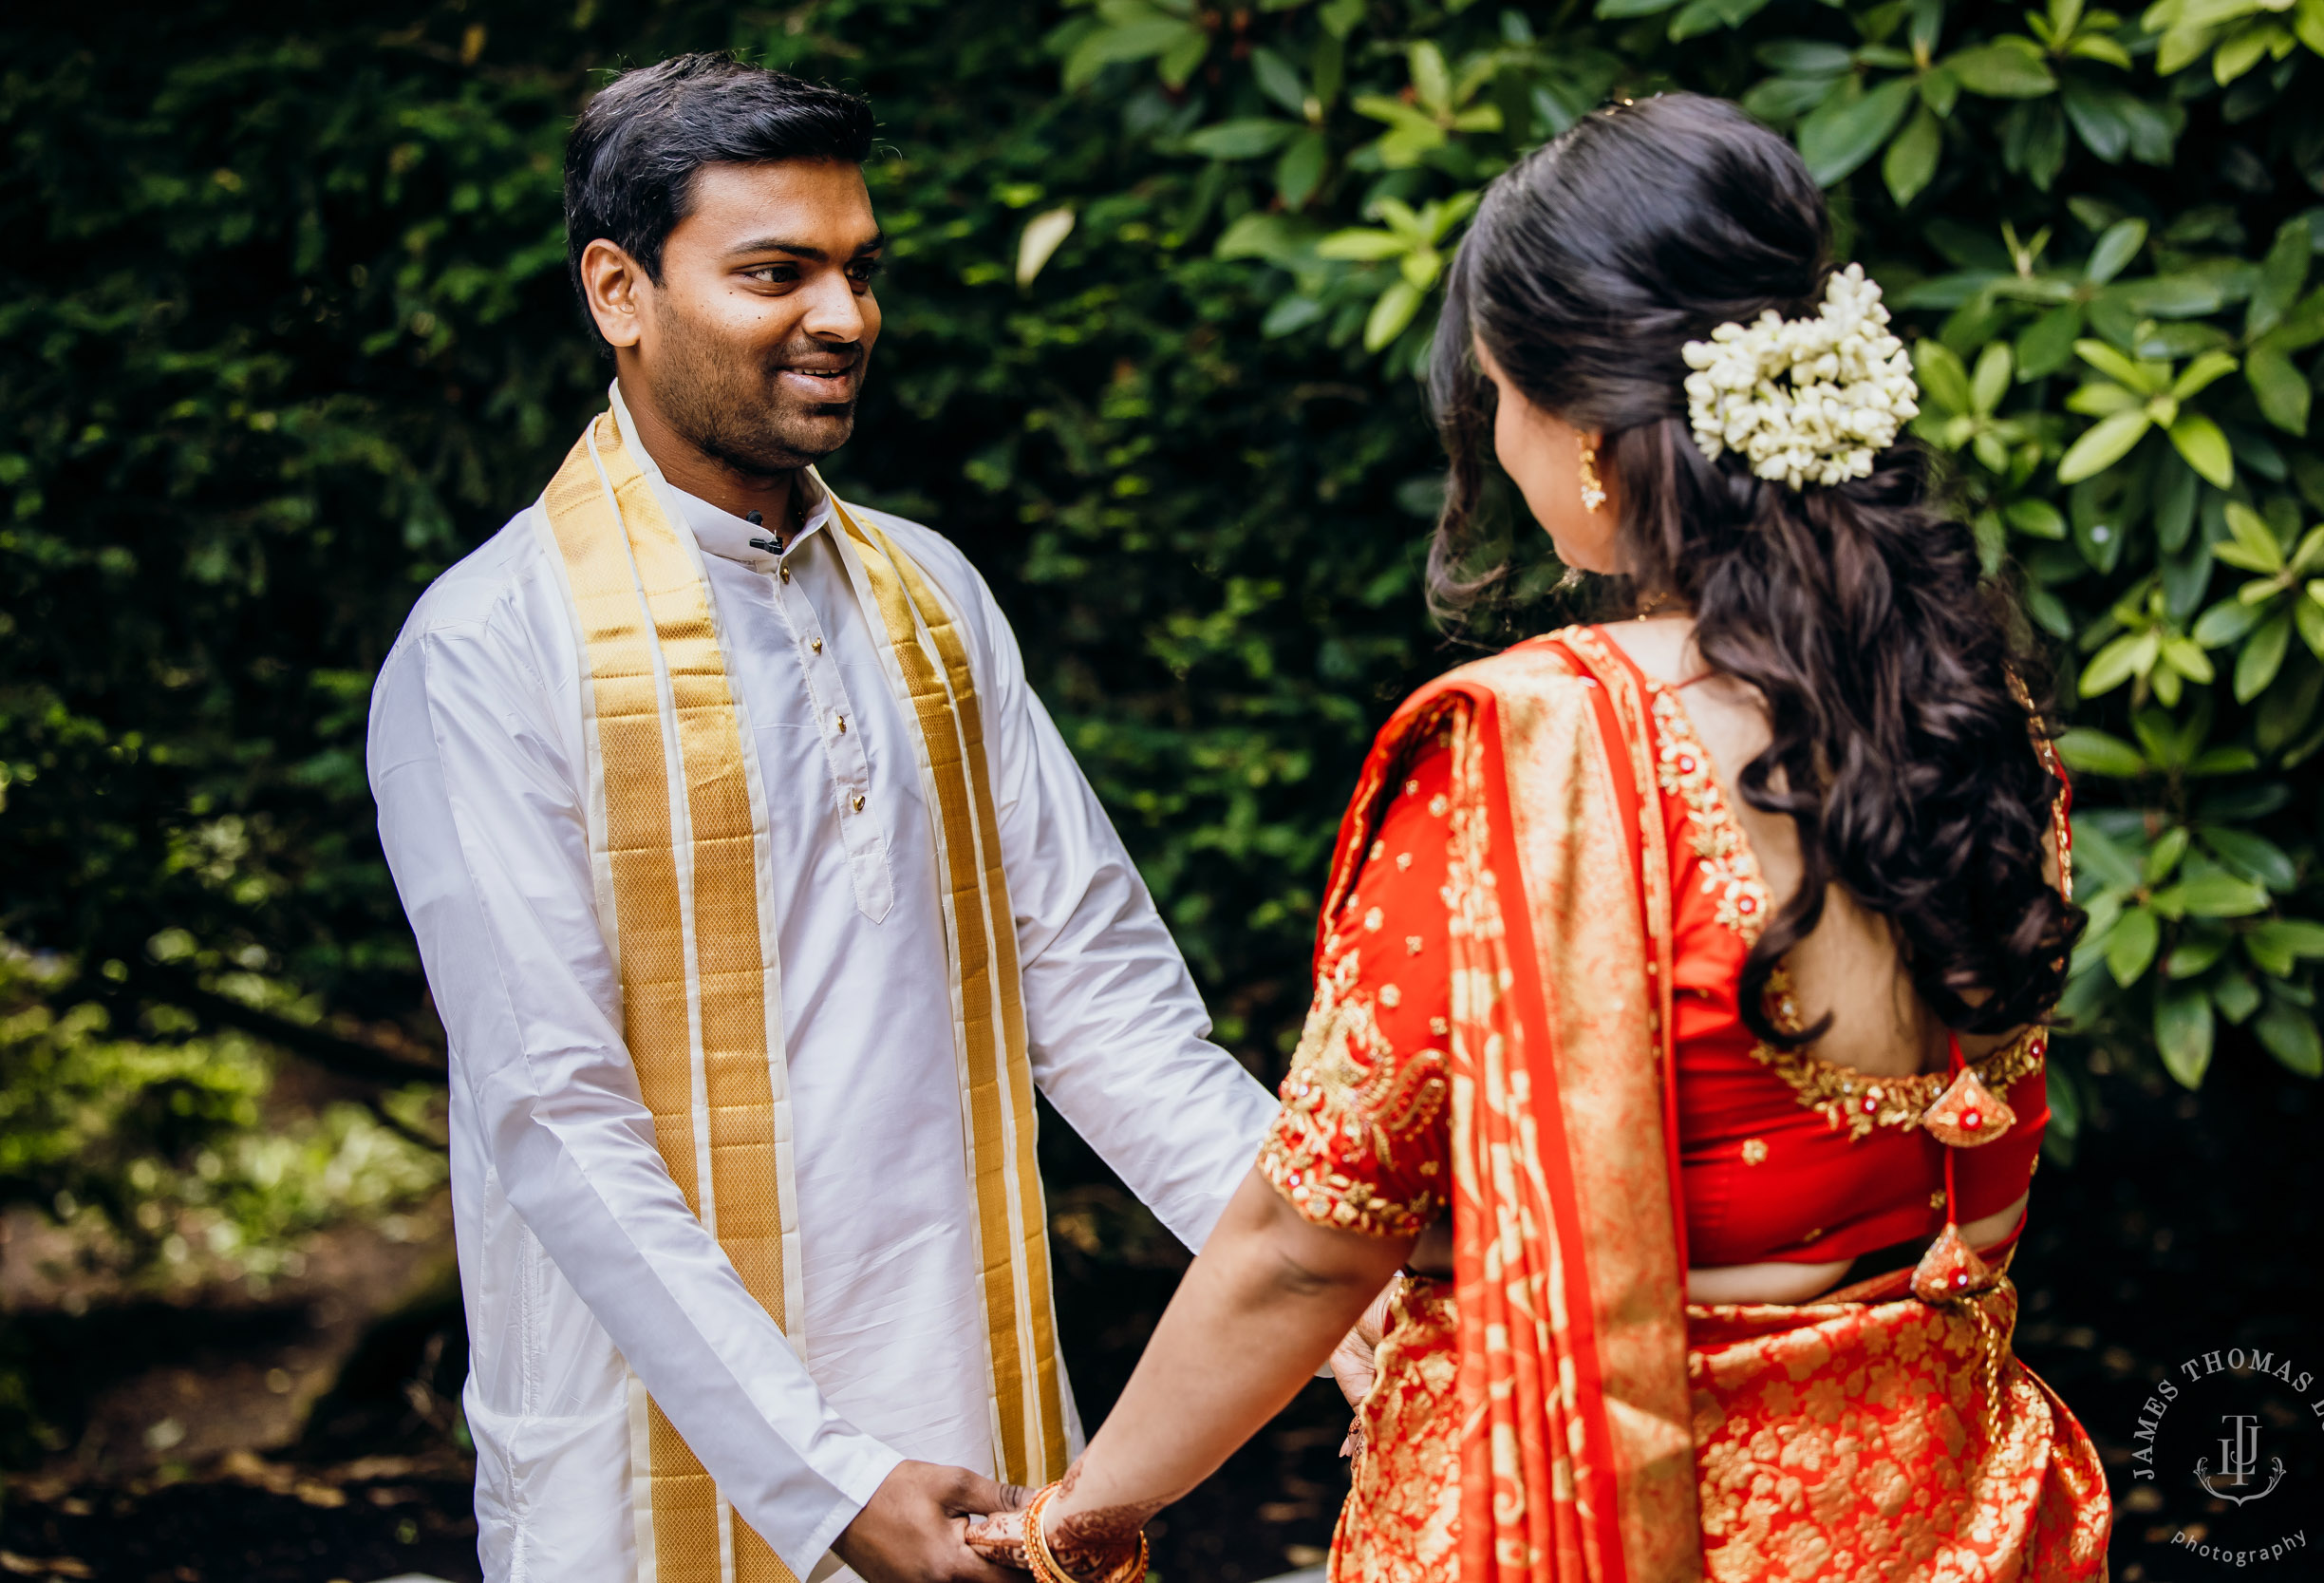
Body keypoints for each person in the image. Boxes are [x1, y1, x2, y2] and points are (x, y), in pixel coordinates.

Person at [969, 94, 2113, 1583]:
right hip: (1941, 1504)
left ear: (1583, 430)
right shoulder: (1974, 719)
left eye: (1500, 392)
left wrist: (1080, 1518)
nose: (1495, 437)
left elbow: (1309, 1245)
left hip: (1609, 1519)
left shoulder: (1535, 749)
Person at [365, 54, 1276, 1583]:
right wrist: (831, 1479)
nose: (844, 318)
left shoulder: (932, 597)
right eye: (775, 272)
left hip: (978, 1423)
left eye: (859, 271)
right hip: (652, 1475)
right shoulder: (486, 646)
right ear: (620, 291)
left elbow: (1109, 1011)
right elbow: (557, 1114)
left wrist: (1354, 1299)